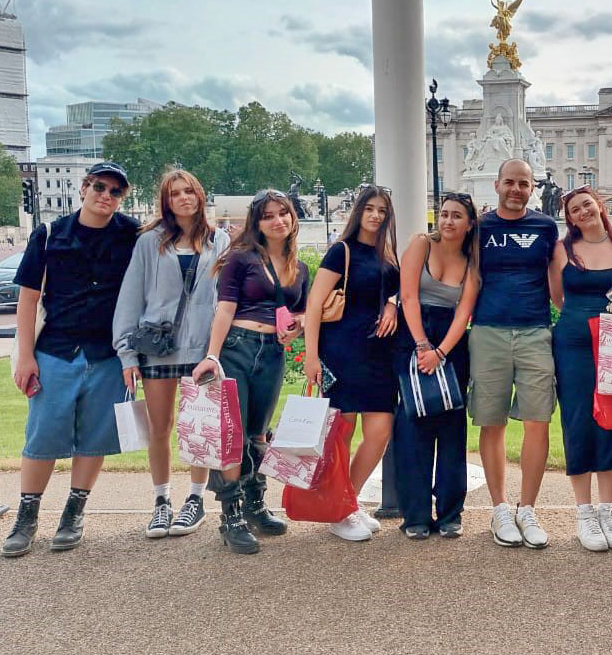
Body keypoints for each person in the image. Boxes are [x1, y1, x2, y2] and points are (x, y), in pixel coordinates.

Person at [2, 161, 140, 557]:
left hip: (107, 353)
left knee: (94, 437)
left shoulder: (132, 234)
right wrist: (25, 355)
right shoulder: (49, 235)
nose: (106, 196)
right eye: (100, 187)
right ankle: (26, 518)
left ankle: (74, 512)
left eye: (115, 191)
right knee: (42, 435)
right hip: (56, 350)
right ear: (84, 188)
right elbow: (28, 299)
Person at [113, 169, 230, 538]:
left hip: (201, 350)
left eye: (189, 191)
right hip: (158, 348)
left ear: (200, 195)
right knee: (159, 428)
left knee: (199, 429)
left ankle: (195, 499)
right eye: (175, 193)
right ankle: (161, 501)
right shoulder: (150, 242)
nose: (183, 198)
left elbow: (225, 299)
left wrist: (216, 351)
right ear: (166, 201)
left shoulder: (219, 240)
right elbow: (131, 297)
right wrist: (127, 355)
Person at [191, 189, 308, 554]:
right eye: (269, 215)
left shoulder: (298, 267)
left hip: (272, 353)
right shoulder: (242, 259)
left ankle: (256, 504)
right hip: (237, 349)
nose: (278, 221)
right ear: (257, 223)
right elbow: (224, 309)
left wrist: (299, 324)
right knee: (231, 435)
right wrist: (212, 355)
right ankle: (232, 516)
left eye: (283, 213)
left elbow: (302, 311)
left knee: (258, 435)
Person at [548, 185, 612, 552]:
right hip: (573, 340)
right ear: (570, 217)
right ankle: (584, 512)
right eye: (575, 209)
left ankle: (608, 509)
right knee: (576, 419)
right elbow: (556, 295)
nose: (583, 212)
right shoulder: (562, 249)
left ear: (599, 206)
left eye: (587, 204)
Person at [302, 185, 400, 542]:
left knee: (379, 432)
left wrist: (392, 305)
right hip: (342, 351)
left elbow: (398, 293)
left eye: (382, 211)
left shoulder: (387, 255)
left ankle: (348, 501)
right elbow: (314, 305)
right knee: (342, 435)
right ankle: (338, 510)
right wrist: (311, 357)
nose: (375, 215)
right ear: (358, 211)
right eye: (370, 208)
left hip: (379, 355)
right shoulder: (340, 251)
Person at [470, 158, 558, 549]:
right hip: (488, 330)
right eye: (510, 182)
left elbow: (562, 279)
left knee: (538, 420)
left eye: (524, 183)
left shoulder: (545, 226)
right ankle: (500, 508)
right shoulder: (480, 228)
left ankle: (529, 508)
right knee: (492, 421)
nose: (516, 189)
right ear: (496, 185)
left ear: (532, 187)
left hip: (535, 330)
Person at [389, 192, 478, 540]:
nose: (448, 221)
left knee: (452, 427)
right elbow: (408, 295)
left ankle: (451, 513)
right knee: (413, 426)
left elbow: (464, 310)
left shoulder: (473, 259)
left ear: (470, 223)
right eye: (443, 214)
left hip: (451, 344)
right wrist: (422, 345)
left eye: (457, 216)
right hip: (414, 335)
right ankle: (415, 514)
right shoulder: (421, 245)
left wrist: (440, 352)